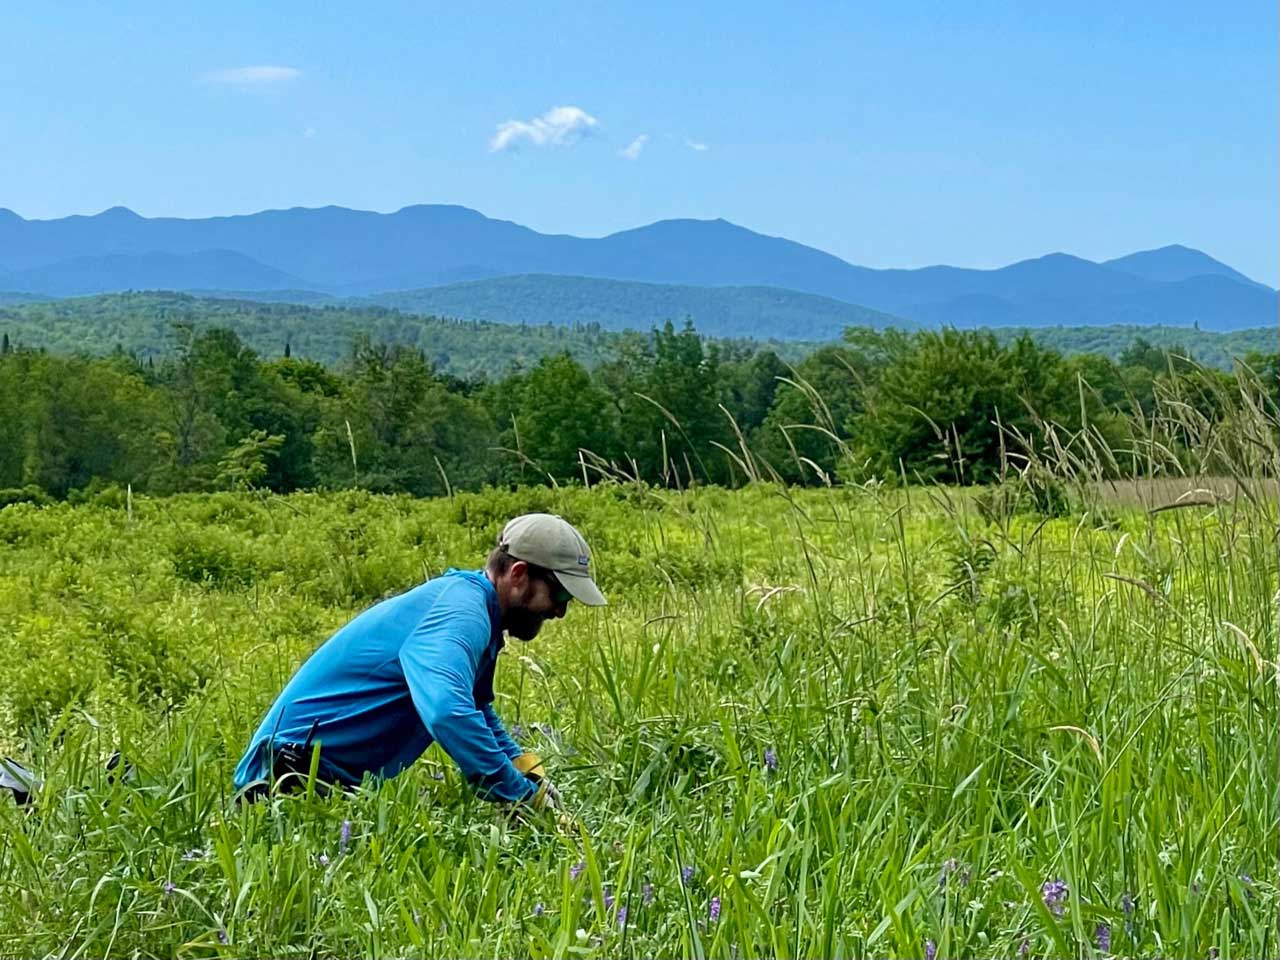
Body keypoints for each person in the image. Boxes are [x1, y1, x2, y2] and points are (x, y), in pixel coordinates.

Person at [233, 513, 606, 806]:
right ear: (519, 575)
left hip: (324, 781)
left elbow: (475, 708)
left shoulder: (477, 611)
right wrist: (517, 796)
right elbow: (448, 712)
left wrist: (526, 770)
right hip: (284, 779)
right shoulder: (462, 612)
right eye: (558, 593)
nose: (560, 611)